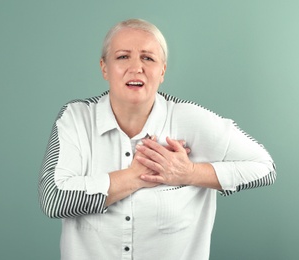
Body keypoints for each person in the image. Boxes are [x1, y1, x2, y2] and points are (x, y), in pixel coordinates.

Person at [39, 18, 276, 260]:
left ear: (162, 71)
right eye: (123, 57)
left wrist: (189, 173)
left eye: (148, 58)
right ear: (104, 68)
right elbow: (54, 200)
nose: (136, 67)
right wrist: (133, 177)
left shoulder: (192, 119)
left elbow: (265, 168)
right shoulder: (76, 118)